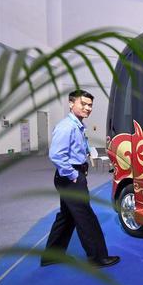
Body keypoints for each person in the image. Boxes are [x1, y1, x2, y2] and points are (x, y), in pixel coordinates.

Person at [41, 90, 120, 268]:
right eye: (82, 104)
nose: (87, 108)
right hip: (70, 178)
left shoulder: (77, 125)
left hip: (71, 176)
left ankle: (51, 256)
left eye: (90, 105)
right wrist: (73, 174)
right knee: (86, 217)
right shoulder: (66, 126)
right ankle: (97, 257)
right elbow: (56, 155)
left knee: (66, 217)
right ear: (71, 103)